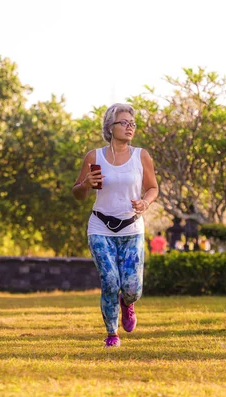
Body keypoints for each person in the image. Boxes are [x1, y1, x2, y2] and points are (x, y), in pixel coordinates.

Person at [72, 103, 158, 348]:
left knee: (133, 289)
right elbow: (77, 193)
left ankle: (127, 303)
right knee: (109, 281)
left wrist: (145, 202)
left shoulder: (141, 156)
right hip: (100, 227)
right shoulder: (94, 156)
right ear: (110, 127)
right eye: (125, 123)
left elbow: (153, 188)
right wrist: (86, 184)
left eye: (133, 124)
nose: (130, 127)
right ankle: (111, 333)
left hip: (131, 228)